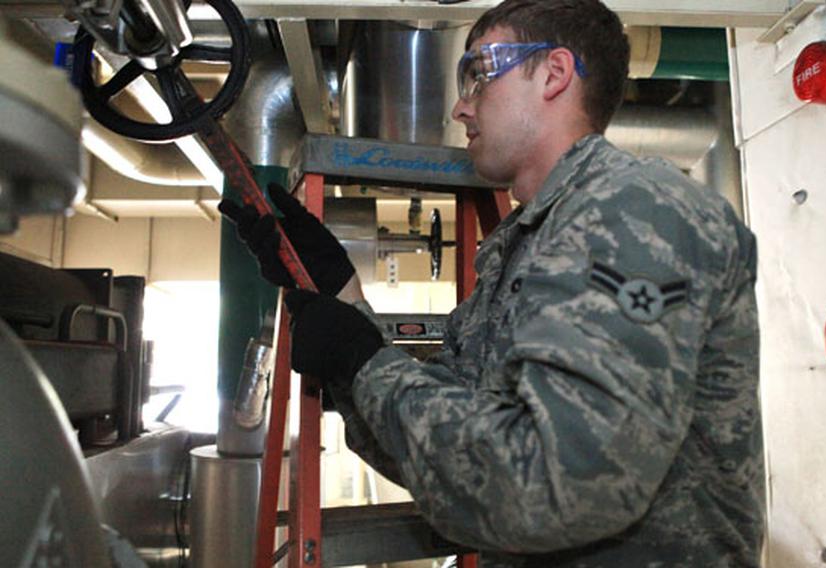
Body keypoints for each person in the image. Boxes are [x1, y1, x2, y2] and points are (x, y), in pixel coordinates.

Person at [219, 0, 764, 565]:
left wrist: (362, 362)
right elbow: (450, 455)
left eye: (478, 75)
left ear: (553, 74)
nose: (460, 106)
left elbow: (563, 488)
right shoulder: (524, 245)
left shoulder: (634, 209)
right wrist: (341, 296)